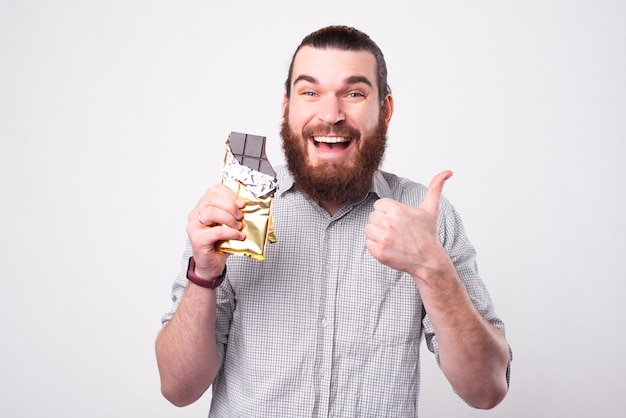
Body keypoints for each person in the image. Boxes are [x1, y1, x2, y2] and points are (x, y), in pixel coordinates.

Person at [156, 25, 511, 417]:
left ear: (385, 110)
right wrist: (203, 275)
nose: (331, 114)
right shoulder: (229, 212)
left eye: (354, 93)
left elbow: (487, 389)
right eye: (310, 92)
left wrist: (433, 269)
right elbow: (178, 388)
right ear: (287, 106)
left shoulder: (425, 218)